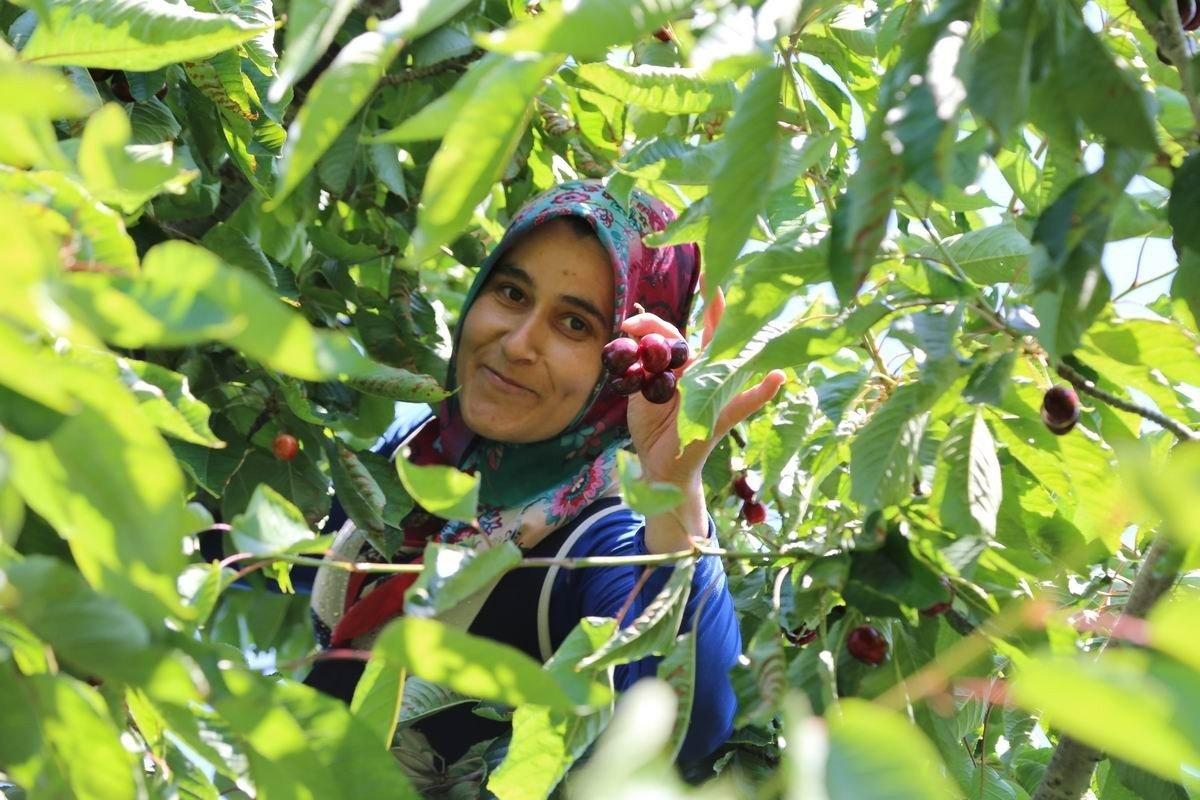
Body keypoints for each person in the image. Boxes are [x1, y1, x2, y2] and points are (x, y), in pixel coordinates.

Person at [301, 180, 787, 768]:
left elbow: (686, 729)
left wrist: (672, 492)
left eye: (575, 326)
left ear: (626, 369)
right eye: (511, 292)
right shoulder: (411, 447)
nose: (519, 343)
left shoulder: (597, 539)